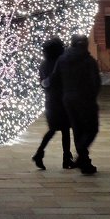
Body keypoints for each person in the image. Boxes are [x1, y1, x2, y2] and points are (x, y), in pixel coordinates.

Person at [44, 34, 101, 175]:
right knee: (92, 129)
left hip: (68, 100)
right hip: (85, 100)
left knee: (78, 129)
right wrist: (92, 96)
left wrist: (46, 84)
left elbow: (53, 78)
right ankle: (82, 152)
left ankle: (85, 163)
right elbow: (96, 82)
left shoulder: (63, 59)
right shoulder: (89, 60)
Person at [32, 36, 74, 170]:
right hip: (61, 100)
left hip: (50, 100)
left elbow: (43, 82)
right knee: (65, 130)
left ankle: (40, 153)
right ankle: (66, 159)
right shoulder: (60, 62)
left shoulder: (44, 64)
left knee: (53, 129)